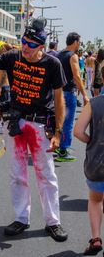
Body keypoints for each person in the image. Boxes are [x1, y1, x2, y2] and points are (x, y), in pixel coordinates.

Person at [0, 18, 68, 242]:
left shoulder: (52, 64)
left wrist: (58, 132)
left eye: (31, 44)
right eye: (23, 41)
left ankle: (53, 221)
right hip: (17, 125)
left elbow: (59, 99)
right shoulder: (12, 57)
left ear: (41, 46)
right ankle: (21, 218)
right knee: (17, 175)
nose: (25, 47)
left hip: (40, 125)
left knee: (46, 175)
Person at [74, 94, 104, 256]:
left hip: (98, 164)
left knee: (95, 200)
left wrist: (91, 141)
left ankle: (96, 238)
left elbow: (78, 131)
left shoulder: (93, 104)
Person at [55, 33, 89, 162]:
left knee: (59, 121)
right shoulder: (72, 56)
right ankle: (63, 151)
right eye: (79, 42)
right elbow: (76, 76)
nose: (79, 44)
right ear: (75, 42)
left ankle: (59, 146)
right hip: (69, 92)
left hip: (58, 92)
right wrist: (85, 95)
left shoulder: (59, 55)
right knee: (68, 122)